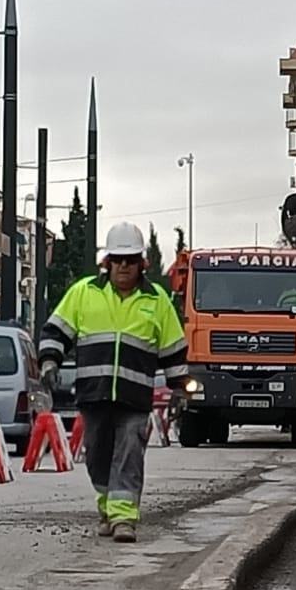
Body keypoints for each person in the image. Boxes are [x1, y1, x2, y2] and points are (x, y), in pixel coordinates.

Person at [38, 222, 189, 541]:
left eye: (130, 260)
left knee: (130, 451)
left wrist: (179, 388)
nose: (124, 266)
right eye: (118, 260)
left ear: (141, 264)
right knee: (97, 454)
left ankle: (124, 519)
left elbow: (174, 350)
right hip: (94, 395)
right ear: (106, 263)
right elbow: (55, 332)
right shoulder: (84, 293)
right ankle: (108, 507)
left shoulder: (156, 300)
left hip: (135, 398)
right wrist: (49, 361)